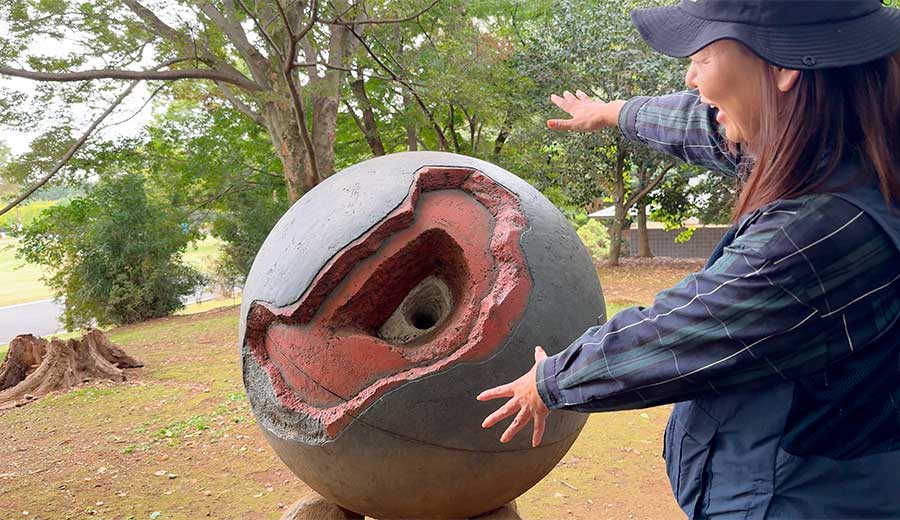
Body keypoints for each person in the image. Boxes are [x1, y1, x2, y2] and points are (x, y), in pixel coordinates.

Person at [477, 1, 900, 518]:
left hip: (800, 497)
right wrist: (611, 112)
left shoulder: (818, 232)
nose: (690, 75)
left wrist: (551, 381)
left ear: (786, 66)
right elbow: (704, 123)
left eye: (702, 56)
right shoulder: (850, 138)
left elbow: (685, 330)